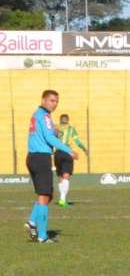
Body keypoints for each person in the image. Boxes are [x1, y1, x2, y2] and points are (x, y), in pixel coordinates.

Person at [25, 90, 77, 244]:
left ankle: (32, 223)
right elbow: (48, 137)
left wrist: (54, 131)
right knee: (44, 197)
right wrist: (69, 150)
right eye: (51, 100)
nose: (54, 104)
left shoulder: (37, 114)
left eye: (56, 101)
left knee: (48, 195)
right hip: (41, 158)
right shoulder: (45, 115)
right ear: (43, 100)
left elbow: (45, 133)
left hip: (33, 158)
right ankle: (42, 236)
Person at [54, 113, 88, 207]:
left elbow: (50, 139)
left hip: (57, 153)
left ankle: (62, 199)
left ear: (60, 120)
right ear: (68, 120)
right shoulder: (71, 129)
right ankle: (62, 199)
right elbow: (77, 141)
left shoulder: (56, 128)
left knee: (60, 176)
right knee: (66, 175)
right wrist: (84, 149)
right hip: (67, 152)